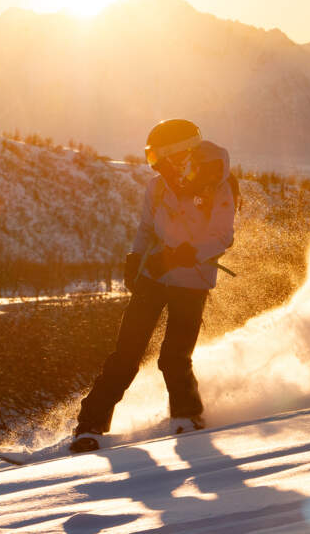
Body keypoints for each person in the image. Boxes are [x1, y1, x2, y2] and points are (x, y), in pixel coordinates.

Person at [70, 119, 237, 453]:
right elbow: (147, 226)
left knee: (173, 356)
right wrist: (135, 256)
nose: (156, 164)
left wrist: (187, 254)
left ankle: (188, 417)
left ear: (181, 153)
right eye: (152, 158)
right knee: (125, 353)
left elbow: (222, 236)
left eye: (159, 156)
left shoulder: (218, 184)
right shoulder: (158, 186)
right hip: (155, 275)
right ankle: (90, 426)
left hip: (191, 282)